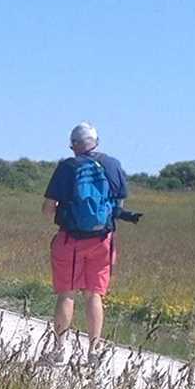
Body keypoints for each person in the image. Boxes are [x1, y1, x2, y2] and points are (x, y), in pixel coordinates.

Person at [43, 122, 128, 361]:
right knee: (94, 295)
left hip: (71, 239)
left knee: (67, 294)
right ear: (96, 142)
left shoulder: (67, 167)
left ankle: (59, 349)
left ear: (75, 145)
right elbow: (119, 207)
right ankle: (94, 350)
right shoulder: (113, 165)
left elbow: (47, 209)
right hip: (103, 240)